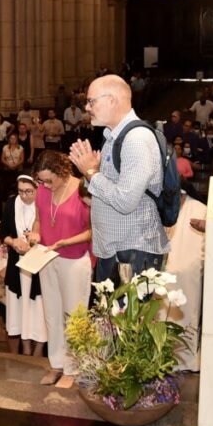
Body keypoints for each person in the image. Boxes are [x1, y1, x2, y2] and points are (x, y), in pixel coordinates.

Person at [69, 74, 168, 281]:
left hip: (133, 250)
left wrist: (91, 173)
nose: (87, 108)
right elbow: (105, 189)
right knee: (109, 314)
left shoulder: (136, 139)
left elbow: (125, 201)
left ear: (111, 100)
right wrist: (91, 172)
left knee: (128, 314)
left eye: (90, 101)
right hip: (117, 250)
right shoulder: (113, 137)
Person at [31, 151, 92, 388]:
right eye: (41, 180)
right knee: (52, 314)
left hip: (74, 259)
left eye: (49, 180)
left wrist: (67, 241)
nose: (45, 185)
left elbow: (92, 230)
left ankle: (73, 367)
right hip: (47, 256)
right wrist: (36, 233)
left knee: (74, 315)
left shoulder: (82, 190)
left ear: (63, 172)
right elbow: (38, 220)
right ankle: (56, 363)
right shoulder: (43, 191)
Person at [0, 174, 46, 355]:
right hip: (17, 265)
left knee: (38, 311)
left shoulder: (44, 203)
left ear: (37, 189)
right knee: (21, 311)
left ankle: (38, 352)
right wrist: (14, 243)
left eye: (29, 191)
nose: (25, 196)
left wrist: (34, 243)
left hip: (38, 267)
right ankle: (25, 351)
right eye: (21, 191)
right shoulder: (12, 203)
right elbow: (3, 232)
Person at [164, 190, 207, 371]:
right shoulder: (164, 207)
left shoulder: (199, 209)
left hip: (188, 273)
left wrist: (182, 268)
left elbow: (200, 249)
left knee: (186, 312)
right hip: (164, 269)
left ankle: (184, 359)